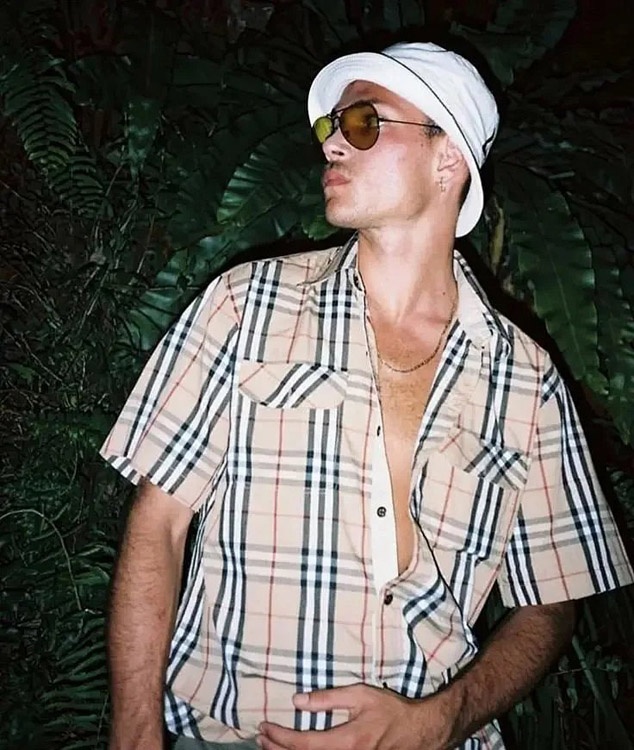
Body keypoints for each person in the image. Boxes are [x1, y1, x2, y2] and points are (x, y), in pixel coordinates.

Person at [101, 42, 633, 750]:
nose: (331, 143)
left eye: (363, 122)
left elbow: (552, 602)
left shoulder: (527, 380)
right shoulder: (245, 306)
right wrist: (134, 733)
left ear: (448, 158)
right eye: (331, 127)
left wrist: (443, 718)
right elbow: (159, 524)